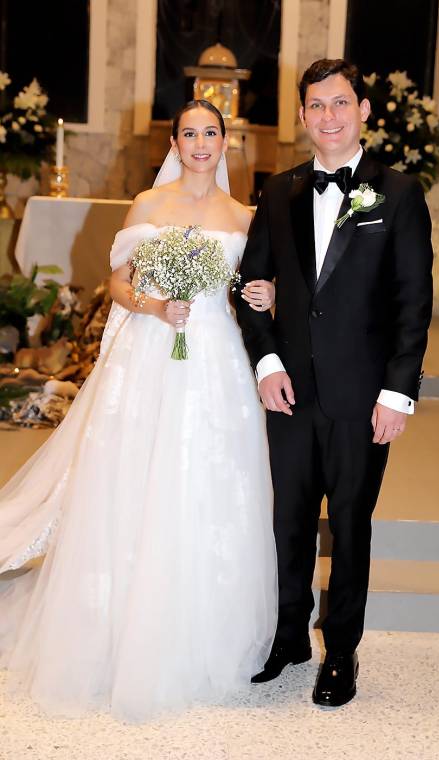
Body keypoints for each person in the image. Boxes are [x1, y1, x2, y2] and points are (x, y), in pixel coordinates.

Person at [0, 100, 278, 722]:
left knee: (208, 483)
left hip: (216, 364)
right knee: (129, 477)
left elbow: (250, 289)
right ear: (175, 144)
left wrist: (266, 291)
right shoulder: (148, 207)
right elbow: (118, 285)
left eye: (211, 133)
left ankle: (203, 629)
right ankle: (114, 625)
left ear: (226, 143)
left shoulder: (244, 215)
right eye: (189, 134)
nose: (201, 143)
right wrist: (152, 305)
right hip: (148, 354)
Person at [235, 59, 433, 707]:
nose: (329, 116)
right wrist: (265, 363)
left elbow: (413, 302)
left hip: (362, 396)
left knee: (350, 524)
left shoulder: (399, 193)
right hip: (289, 392)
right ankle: (290, 634)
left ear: (364, 110)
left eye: (341, 103)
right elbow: (250, 287)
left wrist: (398, 392)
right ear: (302, 116)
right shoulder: (278, 190)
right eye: (316, 106)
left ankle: (340, 651)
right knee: (288, 521)